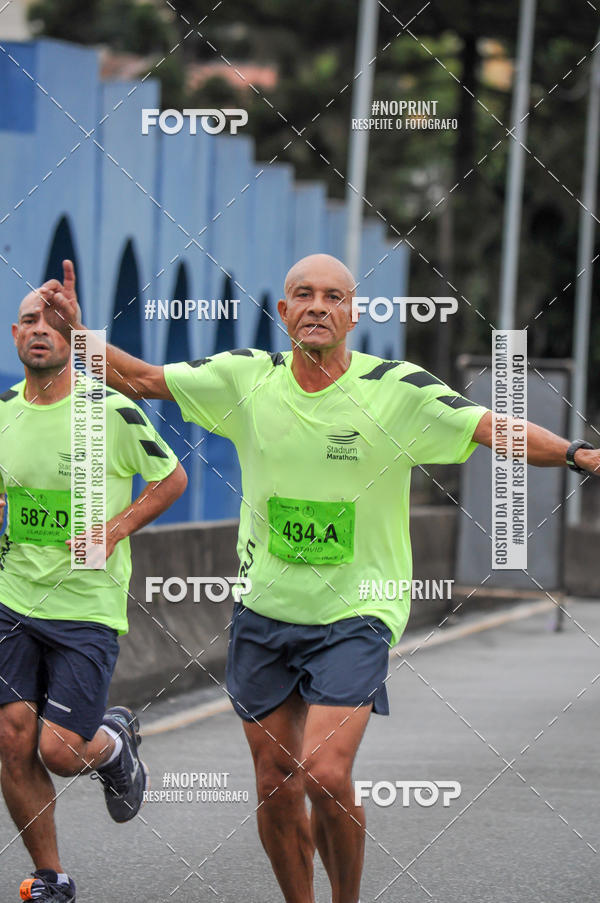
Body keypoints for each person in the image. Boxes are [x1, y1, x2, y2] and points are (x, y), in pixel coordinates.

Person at [45, 254, 599, 903]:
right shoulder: (244, 378)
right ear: (283, 312)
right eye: (302, 295)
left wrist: (578, 453)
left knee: (325, 772)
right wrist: (80, 331)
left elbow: (492, 429)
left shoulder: (397, 388)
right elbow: (137, 377)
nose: (316, 306)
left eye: (332, 296)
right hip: (265, 608)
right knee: (276, 780)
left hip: (358, 610)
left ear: (352, 314)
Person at [0, 273, 188, 903]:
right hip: (13, 601)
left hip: (85, 607)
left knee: (58, 750)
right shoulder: (3, 414)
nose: (40, 330)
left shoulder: (109, 410)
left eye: (54, 321)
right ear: (16, 333)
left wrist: (113, 529)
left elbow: (172, 479)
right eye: (30, 318)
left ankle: (112, 746)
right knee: (11, 738)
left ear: (70, 335)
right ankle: (52, 877)